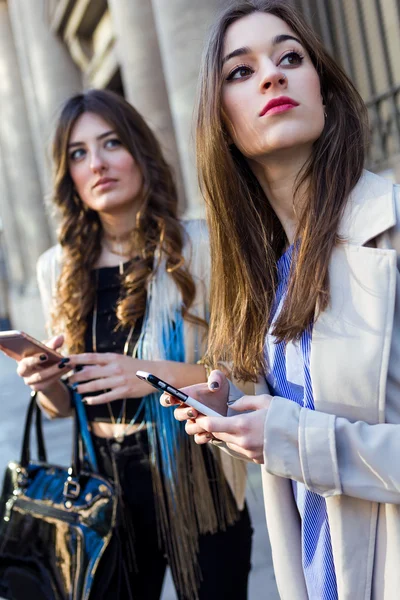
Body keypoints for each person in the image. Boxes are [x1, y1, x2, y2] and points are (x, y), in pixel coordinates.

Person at [161, 1, 400, 598]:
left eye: (290, 57)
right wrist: (241, 413)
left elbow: (312, 439)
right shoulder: (264, 280)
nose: (272, 74)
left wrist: (293, 436)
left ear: (324, 90)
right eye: (241, 71)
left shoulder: (391, 233)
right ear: (221, 122)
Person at [16, 89, 252, 600]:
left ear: (140, 153)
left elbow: (246, 374)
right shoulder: (56, 269)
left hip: (201, 481)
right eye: (78, 153)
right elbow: (61, 408)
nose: (96, 163)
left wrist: (146, 373)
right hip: (106, 494)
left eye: (111, 143)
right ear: (68, 175)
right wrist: (45, 384)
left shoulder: (201, 247)